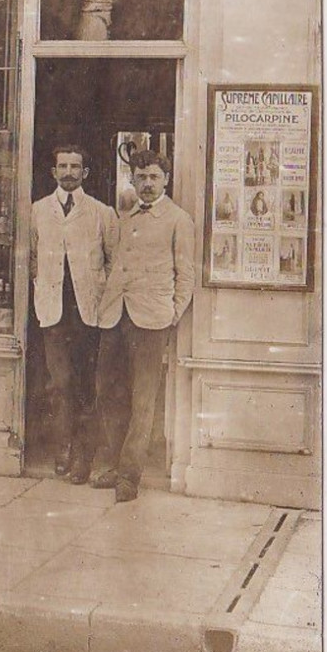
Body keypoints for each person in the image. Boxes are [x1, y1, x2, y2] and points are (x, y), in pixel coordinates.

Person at [91, 150, 195, 503]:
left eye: (154, 176)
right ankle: (117, 463)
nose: (147, 183)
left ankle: (129, 476)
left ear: (165, 179)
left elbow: (186, 275)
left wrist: (171, 314)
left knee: (143, 399)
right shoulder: (123, 217)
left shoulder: (178, 220)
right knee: (107, 390)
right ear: (132, 180)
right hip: (114, 316)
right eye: (141, 177)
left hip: (151, 321)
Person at [30, 145, 119, 484]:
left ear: (85, 173)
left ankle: (85, 453)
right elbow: (30, 255)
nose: (68, 172)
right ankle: (62, 446)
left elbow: (114, 261)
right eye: (62, 166)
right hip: (53, 311)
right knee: (58, 383)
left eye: (75, 167)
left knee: (86, 385)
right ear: (53, 172)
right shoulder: (37, 211)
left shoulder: (101, 213)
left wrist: (101, 294)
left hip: (88, 313)